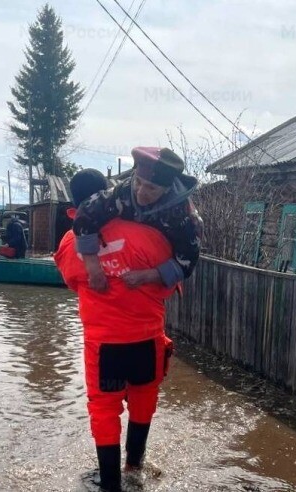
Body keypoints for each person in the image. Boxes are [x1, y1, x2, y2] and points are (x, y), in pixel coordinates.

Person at [55, 169, 177, 492]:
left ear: (74, 210)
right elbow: (171, 279)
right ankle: (134, 466)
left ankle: (111, 485)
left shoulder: (70, 243)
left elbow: (70, 281)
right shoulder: (149, 234)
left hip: (104, 345)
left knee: (104, 410)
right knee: (144, 399)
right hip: (147, 340)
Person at [72, 146, 202, 292]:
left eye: (151, 188)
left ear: (167, 189)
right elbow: (85, 213)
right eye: (138, 182)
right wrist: (93, 267)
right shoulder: (122, 191)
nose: (141, 192)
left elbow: (187, 262)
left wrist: (148, 276)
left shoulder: (184, 216)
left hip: (153, 279)